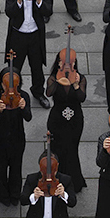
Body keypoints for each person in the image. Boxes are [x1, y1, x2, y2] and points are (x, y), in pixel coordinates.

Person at [4, 0, 54, 105]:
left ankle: (38, 92)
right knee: (14, 67)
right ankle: (12, 92)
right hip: (18, 35)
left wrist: (39, 0)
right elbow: (9, 13)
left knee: (37, 67)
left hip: (35, 35)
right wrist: (19, 0)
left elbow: (48, 11)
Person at [45, 52, 88, 193]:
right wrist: (59, 80)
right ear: (58, 63)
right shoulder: (53, 78)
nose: (67, 66)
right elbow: (48, 93)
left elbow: (81, 97)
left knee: (72, 149)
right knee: (58, 149)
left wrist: (75, 85)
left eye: (71, 62)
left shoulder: (80, 78)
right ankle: (57, 180)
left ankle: (74, 182)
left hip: (75, 120)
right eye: (63, 62)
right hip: (57, 120)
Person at [0, 66, 33, 205]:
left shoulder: (23, 96)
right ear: (1, 83)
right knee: (0, 169)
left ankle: (15, 194)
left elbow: (28, 117)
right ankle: (2, 195)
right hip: (0, 138)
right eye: (5, 84)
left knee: (16, 168)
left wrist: (23, 108)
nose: (9, 88)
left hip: (17, 137)